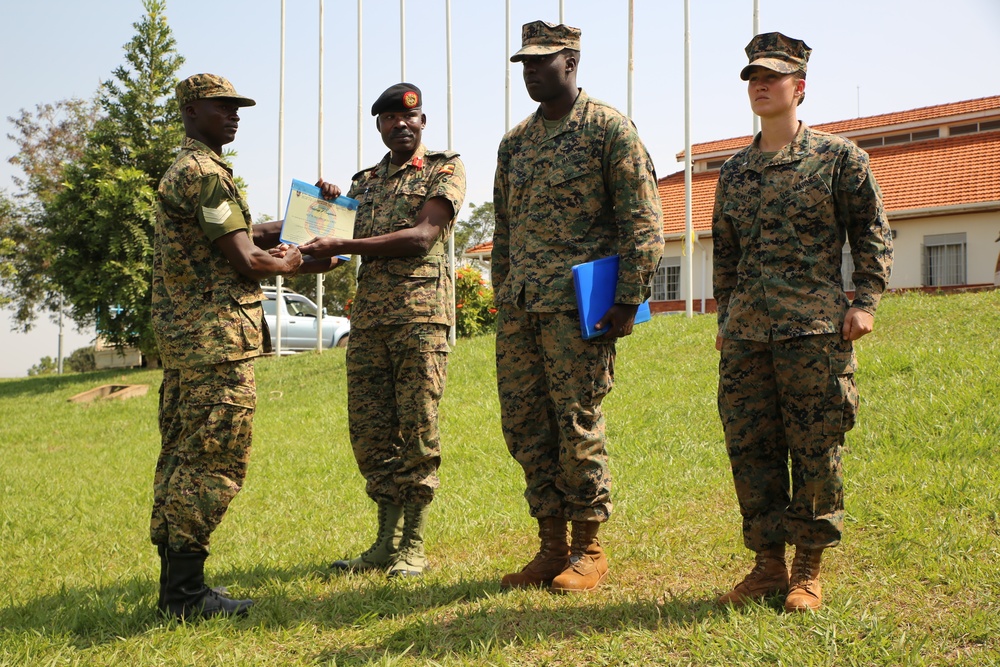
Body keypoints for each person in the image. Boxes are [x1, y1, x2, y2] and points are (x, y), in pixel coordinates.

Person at [712, 33, 893, 612]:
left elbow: (873, 232)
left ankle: (807, 568)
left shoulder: (839, 159)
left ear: (801, 87)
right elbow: (725, 255)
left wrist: (865, 302)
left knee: (816, 450)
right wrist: (725, 317)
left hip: (815, 334)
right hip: (745, 337)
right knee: (752, 449)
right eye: (752, 78)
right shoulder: (734, 171)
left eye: (772, 77)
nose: (759, 85)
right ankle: (766, 565)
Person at [491, 21, 663, 594]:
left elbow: (642, 222)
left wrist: (627, 300)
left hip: (579, 311)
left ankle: (589, 548)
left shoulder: (608, 130)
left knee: (575, 422)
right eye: (524, 63)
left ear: (572, 61)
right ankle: (550, 546)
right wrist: (502, 298)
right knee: (526, 427)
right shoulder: (515, 143)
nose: (530, 71)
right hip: (521, 310)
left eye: (541, 60)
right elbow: (505, 230)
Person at [150, 73, 310, 620]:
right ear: (193, 111)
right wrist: (291, 260)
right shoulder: (205, 174)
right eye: (223, 107)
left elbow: (236, 235)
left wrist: (298, 224)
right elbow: (247, 258)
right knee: (212, 464)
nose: (235, 115)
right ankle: (188, 597)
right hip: (216, 346)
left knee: (180, 461)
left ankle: (178, 592)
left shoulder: (188, 170)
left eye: (238, 107)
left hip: (189, 347)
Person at [300, 83, 466, 578]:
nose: (401, 125)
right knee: (371, 434)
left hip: (420, 319)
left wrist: (346, 237)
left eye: (409, 118)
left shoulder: (444, 168)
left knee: (417, 428)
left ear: (423, 122)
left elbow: (422, 237)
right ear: (379, 126)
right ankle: (382, 543)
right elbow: (333, 253)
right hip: (369, 323)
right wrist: (324, 208)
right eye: (390, 118)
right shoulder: (365, 182)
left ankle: (413, 543)